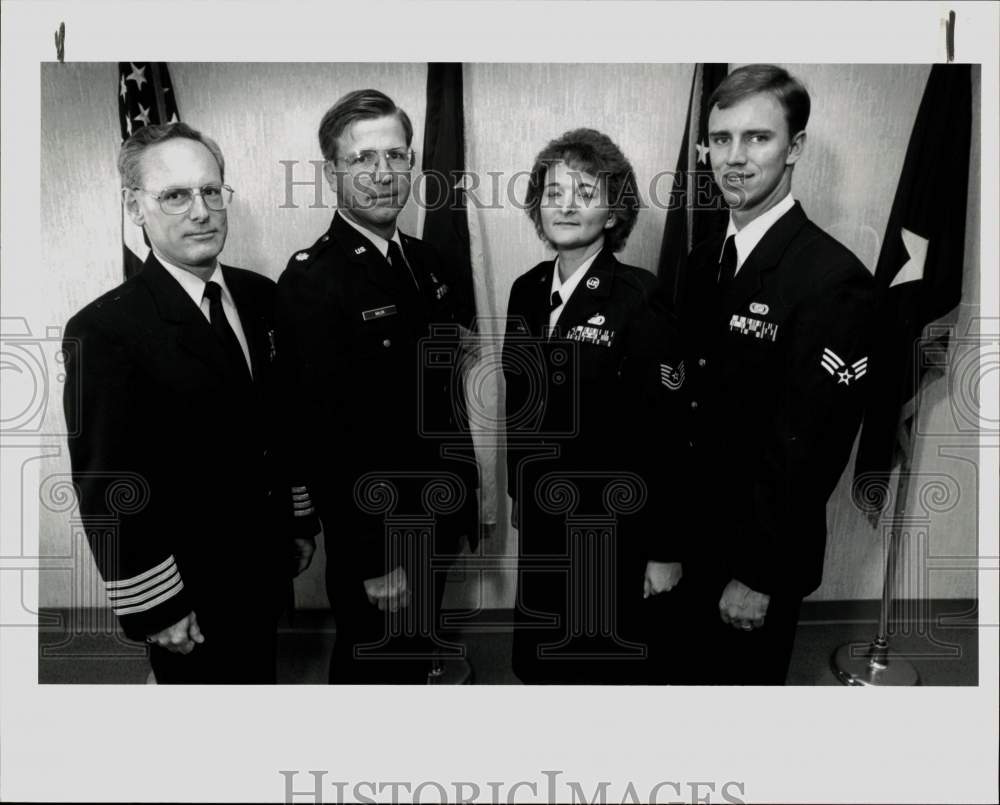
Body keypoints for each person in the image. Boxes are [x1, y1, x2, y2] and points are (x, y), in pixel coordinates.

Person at [63, 122, 318, 684]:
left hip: (264, 561)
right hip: (188, 588)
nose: (201, 212)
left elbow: (283, 422)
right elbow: (110, 484)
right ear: (135, 207)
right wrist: (157, 605)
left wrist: (299, 520)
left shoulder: (260, 295)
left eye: (210, 191)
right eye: (175, 196)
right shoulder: (106, 329)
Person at [676, 64, 876, 684]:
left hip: (755, 553)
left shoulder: (833, 279)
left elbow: (812, 448)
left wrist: (758, 574)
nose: (735, 157)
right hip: (692, 536)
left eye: (757, 138)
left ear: (795, 147)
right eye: (721, 139)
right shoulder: (702, 261)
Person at [275, 89, 479, 684]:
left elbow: (441, 396)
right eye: (363, 158)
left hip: (436, 509)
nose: (383, 174)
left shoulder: (427, 261)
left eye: (396, 156)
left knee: (414, 655)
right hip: (381, 532)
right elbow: (324, 435)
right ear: (332, 172)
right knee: (376, 667)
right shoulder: (313, 281)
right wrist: (373, 557)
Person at [503, 128, 688, 684]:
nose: (565, 205)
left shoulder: (639, 296)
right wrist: (518, 491)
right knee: (541, 664)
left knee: (599, 672)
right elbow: (519, 404)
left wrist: (665, 549)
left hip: (611, 527)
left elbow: (667, 432)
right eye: (553, 192)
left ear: (613, 213)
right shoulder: (525, 290)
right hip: (543, 518)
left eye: (585, 193)